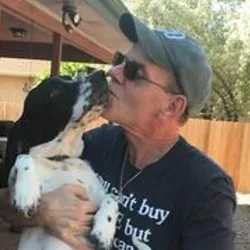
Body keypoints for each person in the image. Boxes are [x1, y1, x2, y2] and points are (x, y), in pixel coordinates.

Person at [0, 12, 235, 250]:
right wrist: (42, 212)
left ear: (172, 107)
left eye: (134, 72)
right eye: (119, 60)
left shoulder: (206, 190)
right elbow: (5, 204)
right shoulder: (93, 145)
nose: (114, 72)